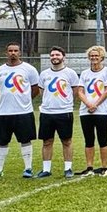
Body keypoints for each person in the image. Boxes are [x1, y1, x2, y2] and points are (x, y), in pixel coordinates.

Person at [0, 43, 41, 180]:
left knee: (25, 140)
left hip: (24, 112)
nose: (13, 53)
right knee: (1, 141)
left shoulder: (29, 69)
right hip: (3, 112)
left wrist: (24, 100)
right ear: (6, 52)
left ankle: (28, 168)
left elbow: (35, 89)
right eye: (10, 50)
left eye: (15, 50)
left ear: (20, 52)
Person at [38, 46, 83, 179]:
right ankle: (46, 169)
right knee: (47, 141)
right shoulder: (44, 74)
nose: (54, 57)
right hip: (46, 113)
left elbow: (75, 91)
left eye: (57, 55)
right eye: (52, 55)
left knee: (66, 141)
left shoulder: (70, 73)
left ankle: (68, 168)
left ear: (63, 57)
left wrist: (66, 103)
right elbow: (42, 91)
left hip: (64, 112)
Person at [78, 44, 107, 176]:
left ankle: (104, 167)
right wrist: (88, 104)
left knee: (103, 139)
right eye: (91, 56)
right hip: (85, 112)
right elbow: (80, 91)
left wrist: (96, 104)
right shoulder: (85, 73)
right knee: (88, 140)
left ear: (101, 57)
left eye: (96, 55)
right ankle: (89, 167)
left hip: (101, 111)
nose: (94, 58)